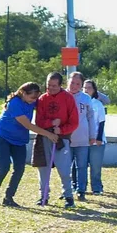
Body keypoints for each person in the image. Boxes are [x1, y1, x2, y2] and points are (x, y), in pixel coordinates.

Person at [0, 82, 58, 207]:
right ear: (23, 93)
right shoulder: (14, 103)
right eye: (32, 97)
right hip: (2, 137)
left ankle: (9, 197)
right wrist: (48, 134)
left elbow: (45, 103)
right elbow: (28, 125)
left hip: (19, 140)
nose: (34, 101)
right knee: (4, 166)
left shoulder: (32, 101)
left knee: (19, 168)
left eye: (36, 98)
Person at [33, 72, 79, 207]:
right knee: (43, 169)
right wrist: (52, 123)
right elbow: (39, 121)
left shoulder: (68, 98)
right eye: (49, 85)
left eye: (54, 86)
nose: (51, 88)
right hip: (44, 137)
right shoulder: (42, 99)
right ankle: (43, 196)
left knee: (64, 169)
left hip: (61, 139)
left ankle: (68, 197)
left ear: (60, 85)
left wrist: (61, 130)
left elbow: (74, 122)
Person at [66, 72, 97, 201]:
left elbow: (91, 117)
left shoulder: (86, 98)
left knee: (82, 165)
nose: (74, 86)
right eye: (72, 83)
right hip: (65, 137)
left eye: (78, 84)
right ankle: (67, 190)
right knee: (65, 165)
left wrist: (92, 135)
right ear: (68, 82)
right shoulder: (62, 96)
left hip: (82, 137)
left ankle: (81, 190)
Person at [84, 79, 107, 195]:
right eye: (85, 88)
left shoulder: (97, 104)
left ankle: (97, 187)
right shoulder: (80, 102)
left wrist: (98, 138)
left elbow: (101, 122)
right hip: (82, 139)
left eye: (89, 88)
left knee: (95, 166)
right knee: (80, 165)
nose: (86, 90)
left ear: (94, 90)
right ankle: (79, 186)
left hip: (96, 141)